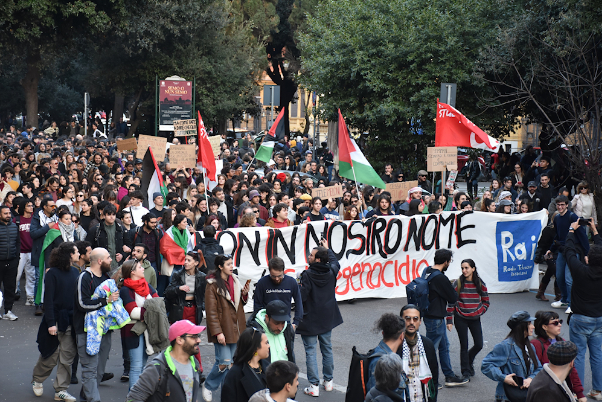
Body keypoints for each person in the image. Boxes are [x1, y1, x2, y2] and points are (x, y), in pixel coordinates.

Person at [31, 242, 80, 402]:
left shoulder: (75, 272)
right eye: (76, 252)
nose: (79, 254)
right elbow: (49, 300)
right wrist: (51, 323)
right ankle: (37, 379)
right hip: (56, 320)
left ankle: (61, 389)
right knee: (51, 355)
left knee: (67, 356)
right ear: (69, 254)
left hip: (71, 320)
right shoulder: (52, 274)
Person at [296, 239, 343, 397]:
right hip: (327, 317)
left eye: (311, 255)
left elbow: (301, 297)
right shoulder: (331, 271)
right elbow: (336, 262)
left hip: (310, 319)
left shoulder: (307, 275)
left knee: (310, 351)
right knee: (326, 348)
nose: (308, 256)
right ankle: (328, 382)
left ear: (317, 259)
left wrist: (298, 285)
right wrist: (328, 249)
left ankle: (314, 385)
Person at [202, 254, 250, 402]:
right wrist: (218, 332)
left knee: (232, 364)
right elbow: (211, 312)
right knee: (224, 361)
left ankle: (227, 394)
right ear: (220, 267)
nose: (231, 266)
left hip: (236, 327)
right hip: (222, 329)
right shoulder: (212, 285)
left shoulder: (235, 280)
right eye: (228, 264)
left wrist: (244, 295)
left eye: (231, 264)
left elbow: (239, 305)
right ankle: (209, 386)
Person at [564, 218, 602, 400]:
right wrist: (594, 230)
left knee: (578, 355)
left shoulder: (580, 270)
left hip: (580, 319)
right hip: (599, 319)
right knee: (597, 355)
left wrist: (572, 230)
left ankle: (576, 391)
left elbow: (569, 251)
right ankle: (598, 390)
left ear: (587, 259)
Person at [74, 248, 117, 402]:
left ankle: (85, 398)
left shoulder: (105, 276)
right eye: (108, 257)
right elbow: (82, 304)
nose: (111, 260)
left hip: (104, 331)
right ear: (100, 261)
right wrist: (106, 301)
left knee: (98, 372)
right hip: (86, 332)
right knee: (90, 371)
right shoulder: (84, 277)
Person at [125, 320, 205, 402]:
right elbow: (133, 398)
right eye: (194, 336)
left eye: (198, 336)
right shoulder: (157, 368)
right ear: (179, 340)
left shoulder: (194, 364)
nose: (199, 340)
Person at [421, 249, 466, 387]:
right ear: (446, 262)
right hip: (435, 318)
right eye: (449, 262)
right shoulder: (440, 278)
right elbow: (453, 297)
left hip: (431, 315)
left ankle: (449, 376)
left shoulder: (427, 270)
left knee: (444, 347)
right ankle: (426, 380)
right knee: (431, 349)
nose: (449, 264)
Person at [481, 311, 542, 402]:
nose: (533, 326)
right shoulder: (505, 346)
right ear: (521, 326)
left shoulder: (530, 347)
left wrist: (530, 378)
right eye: (529, 324)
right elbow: (486, 365)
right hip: (507, 397)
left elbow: (539, 368)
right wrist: (503, 378)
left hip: (526, 395)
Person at [117, 259, 159, 390]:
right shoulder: (125, 290)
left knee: (143, 366)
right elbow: (133, 312)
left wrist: (145, 312)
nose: (143, 269)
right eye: (140, 267)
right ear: (133, 272)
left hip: (148, 329)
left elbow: (158, 303)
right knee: (136, 366)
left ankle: (139, 395)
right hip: (132, 331)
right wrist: (150, 311)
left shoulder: (146, 285)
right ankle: (133, 398)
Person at [446, 259, 489, 379]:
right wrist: (449, 320)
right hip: (460, 317)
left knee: (479, 344)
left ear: (473, 269)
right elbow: (451, 302)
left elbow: (486, 302)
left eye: (467, 268)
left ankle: (469, 359)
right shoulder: (458, 283)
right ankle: (465, 371)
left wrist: (479, 311)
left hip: (475, 318)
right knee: (463, 345)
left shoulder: (480, 283)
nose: (464, 270)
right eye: (462, 268)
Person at [545, 195, 589, 312]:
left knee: (569, 279)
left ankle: (572, 303)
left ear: (567, 205)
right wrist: (551, 249)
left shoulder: (572, 216)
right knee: (559, 277)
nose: (560, 207)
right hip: (561, 251)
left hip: (573, 251)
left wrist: (586, 253)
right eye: (558, 205)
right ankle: (564, 300)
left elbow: (582, 236)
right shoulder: (558, 218)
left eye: (562, 205)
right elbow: (558, 236)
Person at [530, 311, 585, 401]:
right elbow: (535, 368)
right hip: (545, 388)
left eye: (560, 322)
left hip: (562, 386)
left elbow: (572, 369)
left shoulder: (562, 342)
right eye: (555, 323)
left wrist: (580, 394)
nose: (559, 325)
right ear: (544, 327)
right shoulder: (536, 344)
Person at [253, 256, 303, 331]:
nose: (276, 279)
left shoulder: (291, 282)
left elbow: (299, 303)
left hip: (286, 324)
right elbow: (257, 305)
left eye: (279, 276)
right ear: (269, 271)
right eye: (273, 276)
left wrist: (295, 323)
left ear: (283, 271)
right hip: (267, 325)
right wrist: (262, 322)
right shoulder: (262, 283)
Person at [221, 327, 270, 402]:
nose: (269, 346)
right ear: (255, 348)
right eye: (266, 343)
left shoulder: (267, 366)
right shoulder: (235, 374)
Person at [365, 313, 407, 395]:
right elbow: (376, 396)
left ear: (383, 333)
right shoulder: (380, 361)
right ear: (402, 336)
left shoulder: (383, 356)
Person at [31, 197, 58, 315]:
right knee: (38, 278)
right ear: (44, 207)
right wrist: (48, 227)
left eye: (54, 206)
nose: (54, 208)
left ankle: (48, 303)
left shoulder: (57, 217)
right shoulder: (37, 218)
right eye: (51, 206)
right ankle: (38, 304)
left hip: (52, 253)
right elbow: (33, 233)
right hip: (39, 251)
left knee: (51, 280)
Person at [86, 204, 125, 270]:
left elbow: (128, 244)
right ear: (104, 216)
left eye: (113, 214)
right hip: (101, 265)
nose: (111, 217)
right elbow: (88, 245)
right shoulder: (96, 229)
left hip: (117, 264)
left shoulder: (121, 228)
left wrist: (122, 254)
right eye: (109, 215)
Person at [0, 205, 21, 320]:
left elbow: (18, 243)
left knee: (10, 287)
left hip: (12, 261)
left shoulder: (14, 227)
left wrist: (16, 258)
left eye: (9, 213)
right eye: (5, 213)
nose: (8, 215)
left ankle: (8, 310)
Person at [134, 213, 163, 294]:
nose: (154, 224)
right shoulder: (137, 232)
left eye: (155, 222)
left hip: (153, 262)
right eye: (152, 222)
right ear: (146, 222)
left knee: (152, 287)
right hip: (139, 262)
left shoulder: (157, 232)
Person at [15, 199, 35, 306]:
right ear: (23, 207)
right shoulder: (17, 220)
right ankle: (12, 293)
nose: (31, 207)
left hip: (31, 251)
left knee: (31, 275)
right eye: (29, 206)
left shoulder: (35, 220)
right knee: (16, 275)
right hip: (20, 252)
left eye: (32, 205)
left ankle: (30, 297)